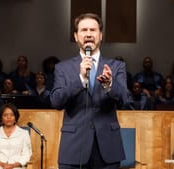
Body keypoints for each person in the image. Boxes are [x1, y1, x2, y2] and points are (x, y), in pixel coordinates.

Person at [50, 13, 129, 169]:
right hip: (73, 148)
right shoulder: (62, 68)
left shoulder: (116, 66)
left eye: (93, 30)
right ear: (75, 36)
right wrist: (80, 79)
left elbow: (126, 99)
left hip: (107, 149)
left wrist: (109, 85)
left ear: (100, 35)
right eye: (83, 30)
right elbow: (56, 101)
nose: (88, 34)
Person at [0, 103, 32, 169]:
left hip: (17, 166)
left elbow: (26, 155)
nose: (9, 117)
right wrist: (2, 164)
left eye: (12, 115)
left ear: (16, 117)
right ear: (1, 118)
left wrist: (14, 165)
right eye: (5, 115)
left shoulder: (24, 134)